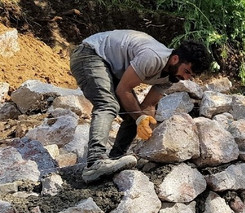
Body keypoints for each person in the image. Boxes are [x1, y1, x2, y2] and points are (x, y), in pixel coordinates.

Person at [70, 30, 211, 182]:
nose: (186, 78)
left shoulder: (171, 77)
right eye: (186, 71)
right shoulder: (153, 57)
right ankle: (95, 162)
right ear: (175, 59)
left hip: (110, 67)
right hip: (89, 54)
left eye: (191, 76)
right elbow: (123, 90)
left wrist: (149, 127)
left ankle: (114, 160)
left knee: (134, 115)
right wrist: (139, 118)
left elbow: (149, 105)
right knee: (108, 104)